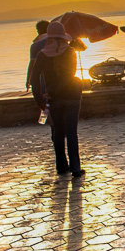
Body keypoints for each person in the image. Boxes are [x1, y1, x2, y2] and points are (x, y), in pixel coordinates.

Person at [30, 22, 85, 178]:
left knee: (58, 132)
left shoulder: (42, 54)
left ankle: (61, 165)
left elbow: (34, 79)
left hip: (53, 99)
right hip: (72, 96)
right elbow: (70, 75)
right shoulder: (70, 52)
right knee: (71, 132)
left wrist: (39, 100)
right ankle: (75, 167)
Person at [25, 20, 50, 91]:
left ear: (38, 30)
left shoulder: (35, 46)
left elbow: (32, 63)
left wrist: (28, 80)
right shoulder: (58, 43)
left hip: (43, 79)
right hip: (59, 79)